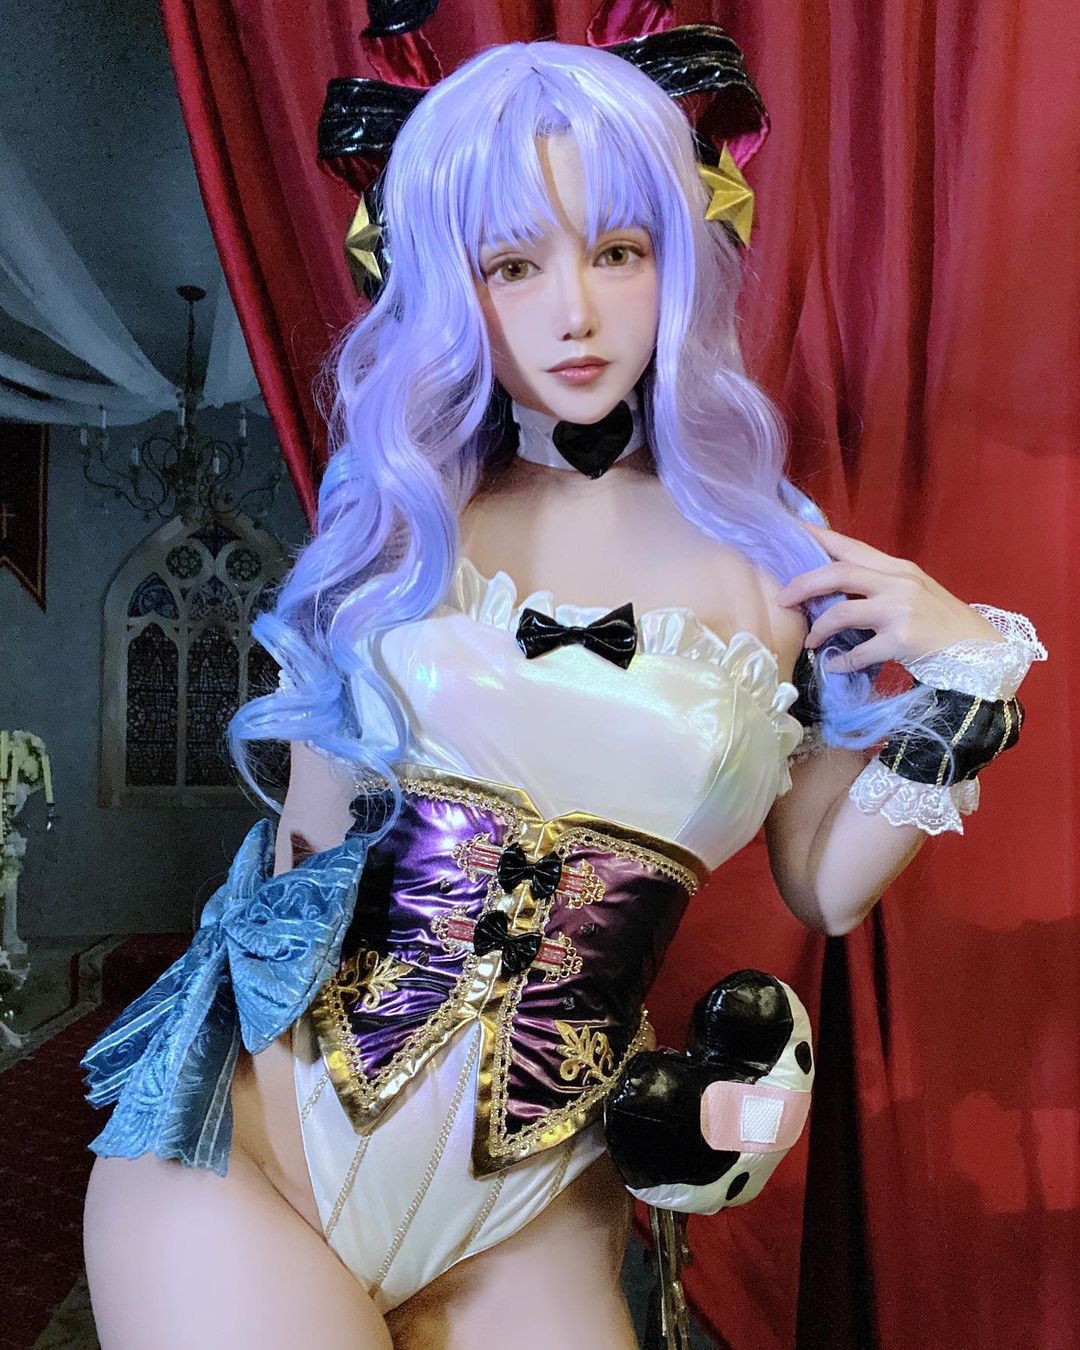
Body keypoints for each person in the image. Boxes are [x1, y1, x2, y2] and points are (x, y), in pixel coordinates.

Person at [79, 31, 1046, 1350]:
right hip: (258, 1144)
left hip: (537, 1208)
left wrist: (969, 675)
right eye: (512, 265)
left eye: (619, 252)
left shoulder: (779, 566)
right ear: (447, 283)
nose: (574, 314)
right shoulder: (400, 527)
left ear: (679, 259)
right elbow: (304, 850)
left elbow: (823, 883)